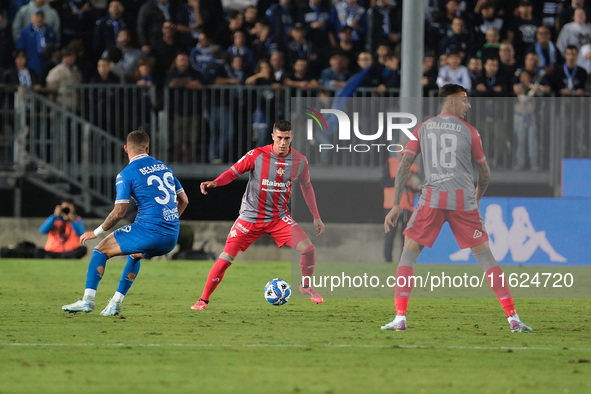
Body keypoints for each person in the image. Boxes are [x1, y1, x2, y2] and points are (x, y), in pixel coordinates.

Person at [381, 83, 532, 333]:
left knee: (408, 255)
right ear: (450, 101)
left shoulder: (423, 128)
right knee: (486, 258)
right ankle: (513, 319)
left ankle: (399, 318)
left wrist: (396, 204)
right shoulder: (470, 132)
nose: (468, 105)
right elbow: (484, 174)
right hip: (464, 202)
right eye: (464, 100)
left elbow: (405, 164)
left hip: (432, 200)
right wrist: (477, 198)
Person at [191, 120, 325, 310]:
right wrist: (216, 182)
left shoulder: (299, 161)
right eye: (279, 137)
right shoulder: (257, 155)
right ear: (273, 136)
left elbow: (307, 187)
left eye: (287, 138)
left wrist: (316, 216)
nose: (283, 142)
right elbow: (232, 172)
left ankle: (305, 286)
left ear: (292, 137)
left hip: (278, 218)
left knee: (308, 249)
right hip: (249, 218)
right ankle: (203, 300)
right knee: (226, 258)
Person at [62, 130, 189, 316]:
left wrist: (95, 232)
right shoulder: (164, 167)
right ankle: (115, 304)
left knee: (100, 249)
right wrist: (168, 222)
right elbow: (184, 200)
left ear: (125, 149)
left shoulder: (126, 174)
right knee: (135, 255)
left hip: (148, 231)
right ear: (147, 148)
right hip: (171, 236)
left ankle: (87, 301)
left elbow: (119, 212)